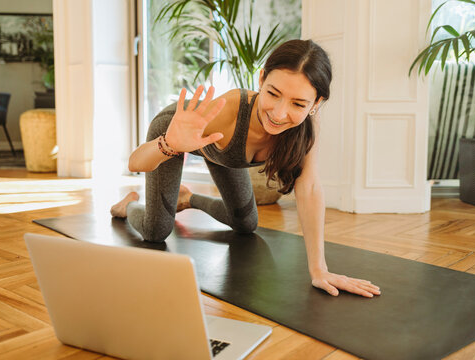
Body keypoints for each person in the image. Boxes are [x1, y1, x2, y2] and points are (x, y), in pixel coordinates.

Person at [111, 39, 381, 298]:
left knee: (246, 224)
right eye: (273, 93)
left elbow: (308, 186)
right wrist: (170, 143)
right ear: (261, 79)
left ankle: (187, 198)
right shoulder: (227, 112)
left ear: (316, 103)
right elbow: (135, 163)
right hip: (176, 134)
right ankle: (127, 206)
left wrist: (319, 270)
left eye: (298, 103)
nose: (278, 113)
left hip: (225, 153)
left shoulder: (307, 126)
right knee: (156, 231)